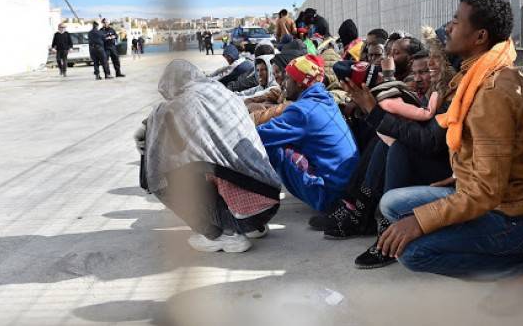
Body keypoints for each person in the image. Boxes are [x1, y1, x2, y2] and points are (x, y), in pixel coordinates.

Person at [358, 0, 523, 279]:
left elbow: (486, 192)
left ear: (479, 36)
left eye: (457, 20)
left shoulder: (492, 92)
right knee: (392, 204)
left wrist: (420, 222)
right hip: (489, 199)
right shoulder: (477, 77)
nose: (449, 27)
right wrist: (459, 177)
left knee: (412, 252)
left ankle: (516, 266)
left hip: (511, 221)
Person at [136, 60, 282, 253]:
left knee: (160, 177)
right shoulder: (224, 93)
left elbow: (154, 155)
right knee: (212, 165)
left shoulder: (175, 107)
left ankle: (222, 235)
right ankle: (253, 226)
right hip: (269, 200)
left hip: (246, 211)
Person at [257, 55, 359, 211]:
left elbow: (259, 136)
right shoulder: (326, 100)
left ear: (300, 83)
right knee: (283, 139)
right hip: (345, 189)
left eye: (288, 78)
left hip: (329, 196)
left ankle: (255, 207)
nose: (284, 83)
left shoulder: (303, 111)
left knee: (271, 147)